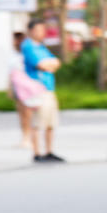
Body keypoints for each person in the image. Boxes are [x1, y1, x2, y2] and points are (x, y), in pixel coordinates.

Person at [22, 19, 64, 163]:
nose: (42, 33)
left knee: (50, 122)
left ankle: (49, 151)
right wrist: (49, 65)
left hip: (49, 88)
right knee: (38, 122)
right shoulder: (28, 46)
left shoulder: (41, 47)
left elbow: (56, 62)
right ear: (31, 30)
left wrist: (50, 64)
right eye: (39, 29)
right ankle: (37, 152)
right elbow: (42, 65)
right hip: (37, 89)